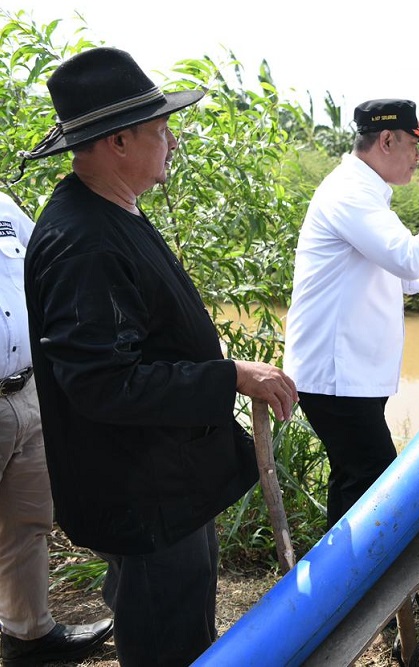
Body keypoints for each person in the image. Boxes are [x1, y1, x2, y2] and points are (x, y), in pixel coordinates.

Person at [19, 47, 298, 666]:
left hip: (161, 477)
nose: (172, 141)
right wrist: (229, 376)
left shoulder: (112, 211)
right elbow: (103, 383)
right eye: (160, 129)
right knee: (166, 634)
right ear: (118, 141)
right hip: (138, 490)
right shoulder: (84, 242)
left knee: (178, 607)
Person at [283, 99, 419, 528]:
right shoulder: (351, 193)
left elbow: (379, 265)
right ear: (386, 140)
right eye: (413, 144)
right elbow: (405, 256)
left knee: (356, 483)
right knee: (374, 486)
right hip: (337, 376)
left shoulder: (363, 192)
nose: (418, 157)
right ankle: (348, 589)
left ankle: (339, 591)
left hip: (347, 375)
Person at [0, 193, 114, 666]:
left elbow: (48, 265)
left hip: (26, 390)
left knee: (26, 522)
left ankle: (29, 636)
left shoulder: (5, 207)